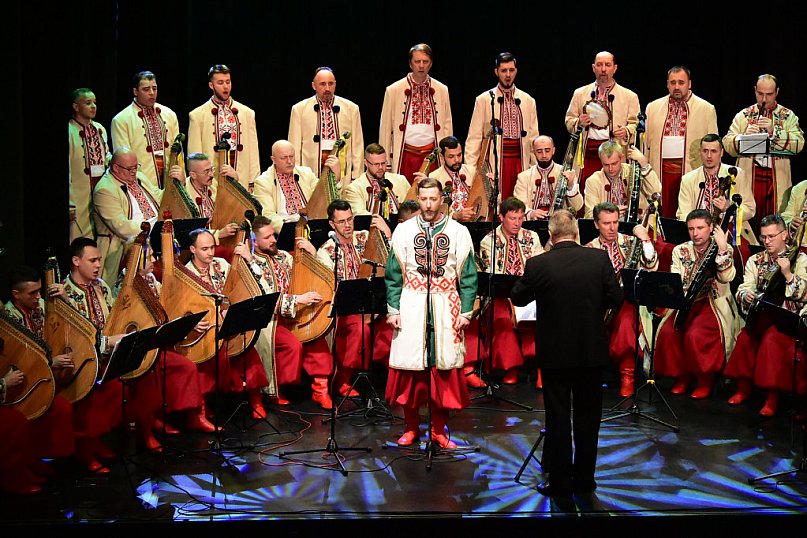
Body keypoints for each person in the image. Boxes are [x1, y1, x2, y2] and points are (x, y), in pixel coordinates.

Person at [511, 209, 622, 498]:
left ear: (550, 235)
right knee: (589, 418)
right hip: (590, 351)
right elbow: (615, 297)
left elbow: (518, 296)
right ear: (577, 232)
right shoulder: (598, 259)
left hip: (555, 354)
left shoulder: (538, 264)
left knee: (558, 418)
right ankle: (584, 480)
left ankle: (559, 483)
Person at [385, 178, 477, 449]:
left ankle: (438, 430)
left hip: (445, 305)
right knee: (411, 372)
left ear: (441, 199)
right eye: (423, 199)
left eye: (433, 199)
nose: (427, 205)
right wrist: (393, 309)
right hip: (411, 304)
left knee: (442, 373)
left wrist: (466, 311)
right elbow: (393, 274)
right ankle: (411, 427)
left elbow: (468, 276)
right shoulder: (404, 231)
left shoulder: (458, 232)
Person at [48, 238, 151, 471]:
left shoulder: (101, 286)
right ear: (76, 261)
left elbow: (113, 320)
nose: (97, 265)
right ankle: (86, 449)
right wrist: (107, 343)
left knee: (129, 379)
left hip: (106, 355)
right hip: (79, 362)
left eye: (99, 260)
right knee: (96, 392)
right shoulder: (63, 292)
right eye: (92, 260)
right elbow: (72, 337)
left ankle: (105, 440)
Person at [231, 215, 335, 408]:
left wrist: (313, 253)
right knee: (291, 345)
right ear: (254, 241)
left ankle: (320, 390)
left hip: (295, 313)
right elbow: (264, 296)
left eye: (273, 235)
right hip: (271, 320)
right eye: (267, 237)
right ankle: (275, 390)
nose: (273, 240)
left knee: (316, 336)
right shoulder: (249, 263)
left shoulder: (285, 257)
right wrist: (298, 300)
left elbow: (314, 275)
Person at [302, 200, 392, 405]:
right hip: (346, 309)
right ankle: (343, 378)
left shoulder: (365, 237)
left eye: (350, 219)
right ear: (332, 224)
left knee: (393, 324)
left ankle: (395, 378)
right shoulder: (327, 250)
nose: (348, 225)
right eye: (342, 222)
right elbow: (326, 286)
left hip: (371, 303)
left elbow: (390, 256)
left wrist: (387, 233)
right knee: (360, 330)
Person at [724, 214, 807, 416]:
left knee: (771, 340)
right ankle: (743, 388)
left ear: (784, 235)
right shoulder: (756, 260)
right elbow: (744, 286)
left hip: (786, 320)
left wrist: (788, 275)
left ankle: (772, 396)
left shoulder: (800, 259)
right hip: (762, 316)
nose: (767, 241)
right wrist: (746, 295)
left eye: (771, 236)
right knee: (746, 338)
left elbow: (805, 294)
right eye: (764, 237)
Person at [654, 209, 740, 398]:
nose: (696, 233)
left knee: (696, 334)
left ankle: (704, 379)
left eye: (700, 228)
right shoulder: (680, 250)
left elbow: (727, 277)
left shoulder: (723, 247)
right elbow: (676, 278)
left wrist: (722, 248)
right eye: (691, 229)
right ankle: (682, 376)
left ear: (711, 228)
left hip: (712, 302)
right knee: (669, 332)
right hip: (687, 302)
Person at [184, 229, 269, 418]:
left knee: (247, 345)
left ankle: (255, 398)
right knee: (212, 353)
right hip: (207, 329)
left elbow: (240, 285)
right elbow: (183, 307)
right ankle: (203, 408)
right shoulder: (187, 274)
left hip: (229, 321)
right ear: (192, 249)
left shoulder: (221, 264)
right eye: (204, 249)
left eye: (212, 247)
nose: (210, 253)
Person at [4, 266, 76, 477]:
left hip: (45, 377)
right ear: (16, 295)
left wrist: (65, 299)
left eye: (39, 291)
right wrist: (51, 362)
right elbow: (16, 362)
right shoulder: (7, 319)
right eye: (32, 293)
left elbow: (77, 323)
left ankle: (42, 456)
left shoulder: (42, 306)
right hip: (21, 384)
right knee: (57, 407)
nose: (38, 297)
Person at [585, 202, 657, 397]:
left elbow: (651, 266)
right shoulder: (589, 249)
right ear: (596, 224)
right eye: (606, 223)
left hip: (627, 302)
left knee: (626, 321)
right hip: (599, 305)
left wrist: (645, 239)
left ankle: (628, 377)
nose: (612, 228)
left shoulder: (631, 242)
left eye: (615, 222)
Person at [477, 197, 544, 386]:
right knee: (502, 317)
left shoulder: (532, 237)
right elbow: (492, 275)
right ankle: (510, 367)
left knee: (544, 313)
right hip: (503, 295)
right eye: (512, 218)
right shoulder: (489, 241)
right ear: (501, 217)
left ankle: (541, 367)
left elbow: (539, 265)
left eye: (520, 218)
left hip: (529, 292)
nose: (517, 223)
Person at [723, 75, 804, 230]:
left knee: (774, 222)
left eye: (769, 94)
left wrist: (774, 131)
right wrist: (743, 137)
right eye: (760, 94)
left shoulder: (788, 116)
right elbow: (727, 144)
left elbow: (799, 143)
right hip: (750, 176)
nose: (764, 99)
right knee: (750, 220)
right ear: (755, 90)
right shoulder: (744, 115)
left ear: (777, 92)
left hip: (777, 178)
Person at [644, 66, 718, 218]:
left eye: (681, 82)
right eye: (673, 83)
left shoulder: (706, 109)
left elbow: (714, 145)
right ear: (667, 84)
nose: (676, 87)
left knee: (687, 215)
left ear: (689, 84)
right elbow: (646, 146)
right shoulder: (653, 107)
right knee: (662, 214)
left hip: (690, 172)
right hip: (660, 172)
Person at [464, 52, 539, 200]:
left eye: (511, 70)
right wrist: (470, 171)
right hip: (495, 161)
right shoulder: (484, 100)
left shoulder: (528, 101)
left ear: (516, 71)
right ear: (496, 72)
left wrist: (534, 168)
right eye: (504, 70)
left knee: (519, 202)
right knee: (496, 201)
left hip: (520, 161)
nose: (508, 75)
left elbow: (533, 138)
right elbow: (474, 138)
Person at [565, 51, 640, 192]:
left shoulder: (629, 96)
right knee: (585, 190)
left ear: (615, 68)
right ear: (593, 68)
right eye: (599, 65)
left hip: (614, 153)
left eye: (608, 65)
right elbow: (569, 120)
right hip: (587, 152)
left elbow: (636, 124)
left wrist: (626, 131)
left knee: (612, 191)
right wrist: (579, 122)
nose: (603, 69)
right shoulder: (580, 93)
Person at [380, 43, 453, 182]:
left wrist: (448, 155)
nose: (421, 65)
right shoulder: (394, 90)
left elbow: (447, 125)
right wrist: (385, 161)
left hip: (432, 155)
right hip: (405, 155)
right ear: (410, 63)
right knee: (404, 192)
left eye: (425, 62)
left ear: (431, 63)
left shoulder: (442, 90)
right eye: (417, 61)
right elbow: (385, 129)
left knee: (432, 191)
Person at [92, 147, 162, 284]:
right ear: (116, 168)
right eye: (130, 169)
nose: (134, 171)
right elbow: (122, 227)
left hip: (154, 236)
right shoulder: (105, 190)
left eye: (136, 167)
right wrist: (153, 229)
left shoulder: (138, 176)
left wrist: (176, 183)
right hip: (127, 246)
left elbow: (159, 196)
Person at [188, 64, 261, 192]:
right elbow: (195, 156)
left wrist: (253, 182)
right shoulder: (197, 115)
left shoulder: (247, 113)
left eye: (228, 82)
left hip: (242, 181)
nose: (226, 86)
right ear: (211, 85)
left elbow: (253, 152)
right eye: (220, 83)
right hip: (212, 185)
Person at [288, 67, 364, 185]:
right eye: (322, 84)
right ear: (314, 86)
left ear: (335, 84)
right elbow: (294, 147)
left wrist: (356, 179)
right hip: (310, 175)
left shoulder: (351, 109)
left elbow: (357, 148)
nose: (327, 88)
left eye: (331, 84)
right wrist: (297, 179)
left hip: (343, 176)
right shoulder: (299, 109)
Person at [676, 134, 756, 245]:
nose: (709, 156)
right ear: (700, 152)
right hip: (698, 236)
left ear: (721, 153)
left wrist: (728, 209)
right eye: (705, 151)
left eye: (713, 151)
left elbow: (750, 209)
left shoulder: (737, 174)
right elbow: (684, 214)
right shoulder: (688, 179)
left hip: (731, 233)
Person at [110, 71, 179, 190]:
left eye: (154, 88)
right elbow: (123, 161)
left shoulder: (169, 114)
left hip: (170, 182)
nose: (151, 93)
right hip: (140, 184)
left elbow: (177, 152)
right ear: (135, 91)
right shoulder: (122, 120)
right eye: (146, 89)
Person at [252, 140, 336, 234]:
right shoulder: (263, 182)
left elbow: (321, 197)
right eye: (284, 158)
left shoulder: (306, 173)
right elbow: (268, 215)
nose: (289, 162)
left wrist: (335, 177)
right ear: (273, 159)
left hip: (311, 226)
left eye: (291, 156)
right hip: (284, 230)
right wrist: (290, 231)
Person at [69, 87, 111, 241]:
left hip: (100, 189)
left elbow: (106, 154)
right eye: (88, 103)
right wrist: (70, 203)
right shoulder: (70, 131)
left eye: (94, 103)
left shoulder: (99, 128)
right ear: (76, 107)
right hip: (80, 195)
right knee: (79, 236)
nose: (93, 107)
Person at [171, 152, 241, 244]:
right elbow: (187, 232)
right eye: (206, 171)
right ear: (193, 175)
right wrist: (218, 234)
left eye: (211, 169)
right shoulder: (183, 193)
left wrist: (234, 181)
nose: (211, 175)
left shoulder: (213, 184)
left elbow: (232, 206)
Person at [583, 140, 661, 220]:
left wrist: (644, 164)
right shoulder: (593, 181)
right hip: (608, 226)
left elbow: (655, 192)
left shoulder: (633, 171)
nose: (610, 169)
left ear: (622, 158)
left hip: (639, 222)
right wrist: (609, 213)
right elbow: (589, 215)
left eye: (614, 163)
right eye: (606, 165)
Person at [513, 135, 583, 219]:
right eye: (539, 151)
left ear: (553, 150)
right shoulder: (524, 177)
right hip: (533, 222)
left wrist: (570, 187)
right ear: (534, 152)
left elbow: (577, 206)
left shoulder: (566, 173)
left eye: (547, 150)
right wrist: (530, 213)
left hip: (559, 222)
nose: (544, 155)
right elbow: (519, 204)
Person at [417, 136, 476, 221]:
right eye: (451, 157)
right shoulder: (434, 177)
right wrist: (454, 216)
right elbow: (432, 209)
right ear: (442, 157)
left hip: (473, 222)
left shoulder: (472, 171)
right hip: (448, 224)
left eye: (459, 155)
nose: (457, 160)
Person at [343, 143, 410, 217]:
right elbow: (361, 216)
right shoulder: (354, 188)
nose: (380, 167)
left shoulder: (401, 180)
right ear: (366, 163)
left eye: (383, 163)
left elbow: (413, 209)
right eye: (376, 164)